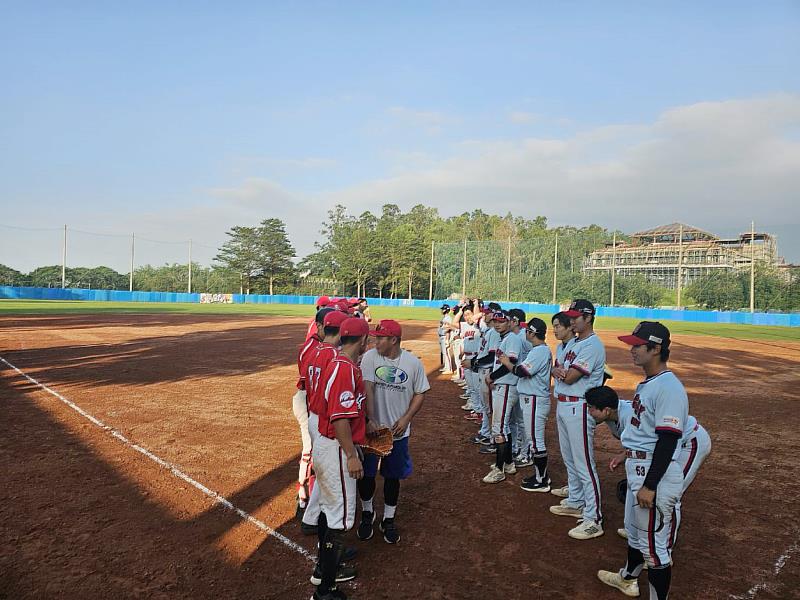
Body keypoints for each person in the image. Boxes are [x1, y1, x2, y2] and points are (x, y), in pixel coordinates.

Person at [596, 321, 689, 600]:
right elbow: (645, 433)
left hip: (653, 475)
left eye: (637, 345)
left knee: (656, 550)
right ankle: (627, 577)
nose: (631, 350)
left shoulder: (669, 387)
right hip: (640, 468)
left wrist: (649, 485)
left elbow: (668, 440)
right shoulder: (648, 383)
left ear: (656, 348)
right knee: (638, 537)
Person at [585, 385, 711, 545]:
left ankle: (664, 550)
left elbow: (661, 441)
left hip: (689, 442)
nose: (589, 412)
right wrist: (623, 455)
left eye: (591, 409)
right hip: (663, 444)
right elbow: (638, 442)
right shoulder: (612, 416)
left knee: (670, 494)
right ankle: (639, 532)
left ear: (607, 410)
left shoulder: (630, 416)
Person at [311, 317, 370, 600]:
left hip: (328, 444)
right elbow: (339, 419)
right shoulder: (344, 369)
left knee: (327, 509)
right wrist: (351, 455)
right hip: (336, 447)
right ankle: (326, 591)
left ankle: (322, 571)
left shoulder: (337, 362)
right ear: (363, 342)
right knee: (340, 519)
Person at [356, 320, 430, 544]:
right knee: (367, 475)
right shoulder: (370, 357)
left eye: (380, 338)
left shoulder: (412, 363)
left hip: (398, 432)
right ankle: (368, 512)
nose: (375, 341)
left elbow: (420, 392)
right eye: (375, 337)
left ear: (394, 340)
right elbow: (367, 387)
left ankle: (388, 518)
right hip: (372, 430)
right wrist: (370, 419)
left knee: (392, 476)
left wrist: (407, 418)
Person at [549, 299, 606, 540]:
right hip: (563, 404)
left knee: (584, 464)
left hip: (580, 408)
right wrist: (558, 371)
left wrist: (562, 372)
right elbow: (556, 368)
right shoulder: (572, 343)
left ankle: (594, 518)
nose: (571, 321)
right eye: (570, 317)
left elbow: (570, 376)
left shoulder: (592, 345)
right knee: (570, 459)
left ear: (588, 318)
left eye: (576, 317)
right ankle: (575, 500)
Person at [300, 309, 348, 535]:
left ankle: (310, 518)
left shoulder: (313, 350)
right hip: (325, 419)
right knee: (330, 474)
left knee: (323, 472)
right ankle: (325, 525)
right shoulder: (334, 357)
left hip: (314, 414)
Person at [501, 318, 552, 491]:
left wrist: (507, 362)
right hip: (533, 399)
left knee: (536, 441)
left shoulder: (540, 351)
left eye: (527, 331)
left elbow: (522, 371)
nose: (525, 334)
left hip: (535, 400)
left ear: (532, 333)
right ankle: (540, 476)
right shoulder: (537, 350)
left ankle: (541, 480)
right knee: (533, 439)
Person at [293, 307, 332, 518]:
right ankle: (303, 499)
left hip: (310, 400)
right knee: (310, 451)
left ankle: (310, 497)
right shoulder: (314, 348)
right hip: (308, 400)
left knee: (316, 452)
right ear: (318, 326)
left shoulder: (317, 345)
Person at [482, 310, 523, 484]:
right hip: (503, 386)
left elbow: (510, 363)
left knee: (499, 428)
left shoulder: (512, 339)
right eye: (495, 321)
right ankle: (508, 463)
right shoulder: (504, 338)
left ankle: (499, 470)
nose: (497, 324)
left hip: (506, 387)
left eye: (501, 321)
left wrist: (492, 376)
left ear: (510, 322)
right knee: (503, 426)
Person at [438, 304, 454, 373]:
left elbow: (448, 329)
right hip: (442, 337)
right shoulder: (444, 318)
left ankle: (449, 369)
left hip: (445, 337)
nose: (442, 310)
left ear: (446, 310)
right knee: (444, 353)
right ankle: (446, 367)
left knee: (446, 353)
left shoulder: (448, 318)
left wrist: (447, 339)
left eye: (443, 309)